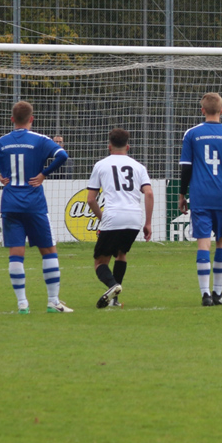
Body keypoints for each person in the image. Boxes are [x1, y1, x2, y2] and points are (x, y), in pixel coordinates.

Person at [0, 100, 73, 313]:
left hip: (10, 203)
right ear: (31, 119)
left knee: (16, 252)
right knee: (48, 250)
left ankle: (22, 303)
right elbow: (62, 155)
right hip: (34, 203)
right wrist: (43, 174)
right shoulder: (40, 140)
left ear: (12, 119)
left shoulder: (1, 142)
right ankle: (53, 301)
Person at [179, 93, 222, 307]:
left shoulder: (192, 134)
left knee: (203, 243)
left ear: (202, 110)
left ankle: (205, 294)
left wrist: (182, 194)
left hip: (200, 195)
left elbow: (186, 168)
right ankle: (218, 293)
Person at [86, 128, 154, 309]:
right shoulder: (139, 167)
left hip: (113, 215)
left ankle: (113, 285)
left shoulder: (101, 165)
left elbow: (91, 199)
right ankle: (114, 300)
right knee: (121, 254)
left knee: (100, 262)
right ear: (128, 146)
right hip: (134, 218)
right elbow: (149, 193)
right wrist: (148, 223)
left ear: (109, 146)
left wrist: (102, 218)